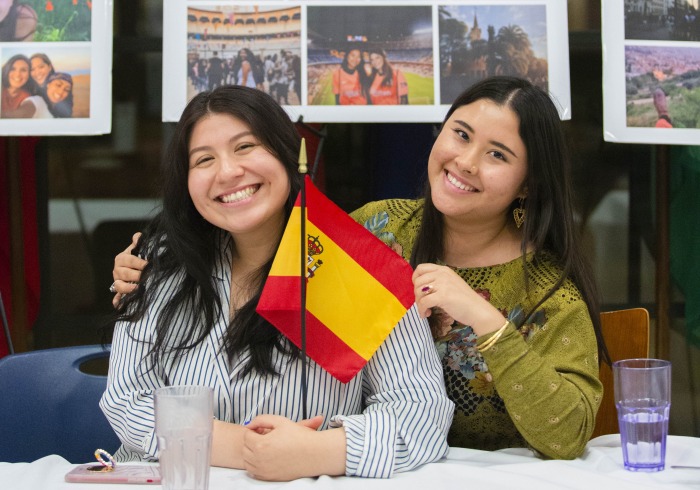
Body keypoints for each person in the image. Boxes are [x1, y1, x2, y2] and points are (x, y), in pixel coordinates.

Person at [112, 76, 605, 460]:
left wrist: (489, 324)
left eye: (497, 154)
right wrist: (147, 262)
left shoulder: (347, 260)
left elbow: (424, 415)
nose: (467, 162)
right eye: (460, 134)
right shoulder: (373, 229)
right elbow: (128, 401)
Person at [100, 85, 453, 482]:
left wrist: (319, 452)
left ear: (286, 155)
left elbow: (420, 414)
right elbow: (127, 400)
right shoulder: (159, 263)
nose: (228, 172)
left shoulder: (354, 269)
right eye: (204, 160)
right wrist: (249, 449)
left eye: (245, 147)